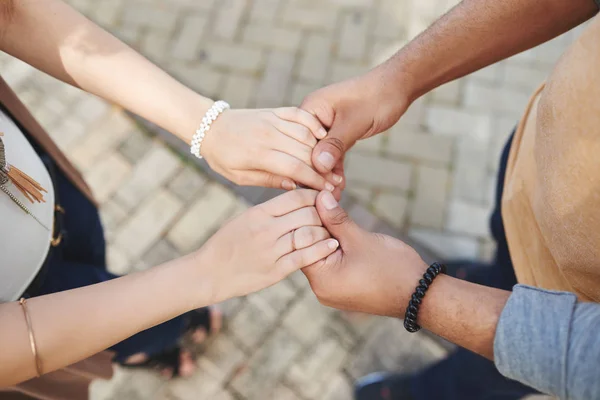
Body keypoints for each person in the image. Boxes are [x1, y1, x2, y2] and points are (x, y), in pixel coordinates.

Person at [0, 0, 341, 397]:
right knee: (123, 331)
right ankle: (148, 346)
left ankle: (157, 330)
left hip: (40, 178)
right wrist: (205, 275)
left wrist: (209, 127)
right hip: (25, 308)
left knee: (99, 264)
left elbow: (9, 12)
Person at [300, 0, 600, 398]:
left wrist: (420, 294)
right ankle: (492, 278)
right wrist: (394, 80)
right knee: (506, 249)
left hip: (573, 301)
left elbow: (581, 357)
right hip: (533, 165)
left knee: (490, 373)